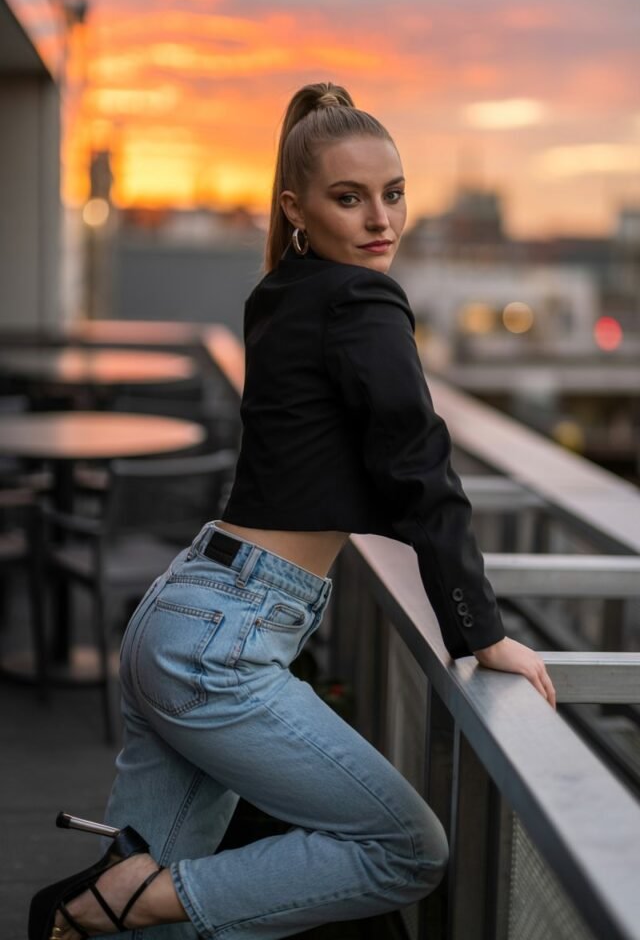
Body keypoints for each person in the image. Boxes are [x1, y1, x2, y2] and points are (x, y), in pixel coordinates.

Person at [31, 82, 556, 940]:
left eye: (394, 193)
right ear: (296, 208)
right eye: (349, 198)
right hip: (225, 642)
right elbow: (419, 464)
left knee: (145, 922)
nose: (381, 219)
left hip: (187, 613)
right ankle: (119, 899)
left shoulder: (281, 295)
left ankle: (120, 901)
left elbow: (344, 457)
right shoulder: (362, 301)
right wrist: (483, 633)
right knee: (406, 849)